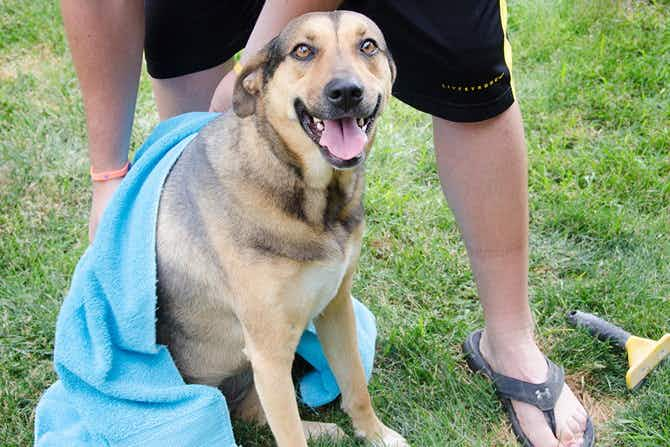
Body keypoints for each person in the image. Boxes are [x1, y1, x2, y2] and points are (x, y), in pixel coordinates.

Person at [60, 1, 592, 446]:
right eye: (305, 54)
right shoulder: (242, 210)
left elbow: (334, 301)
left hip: (288, 271)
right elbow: (265, 354)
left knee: (469, 60)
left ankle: (496, 349)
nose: (343, 82)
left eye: (367, 49)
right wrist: (108, 174)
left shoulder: (342, 189)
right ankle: (250, 407)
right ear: (257, 86)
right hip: (198, 363)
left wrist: (368, 423)